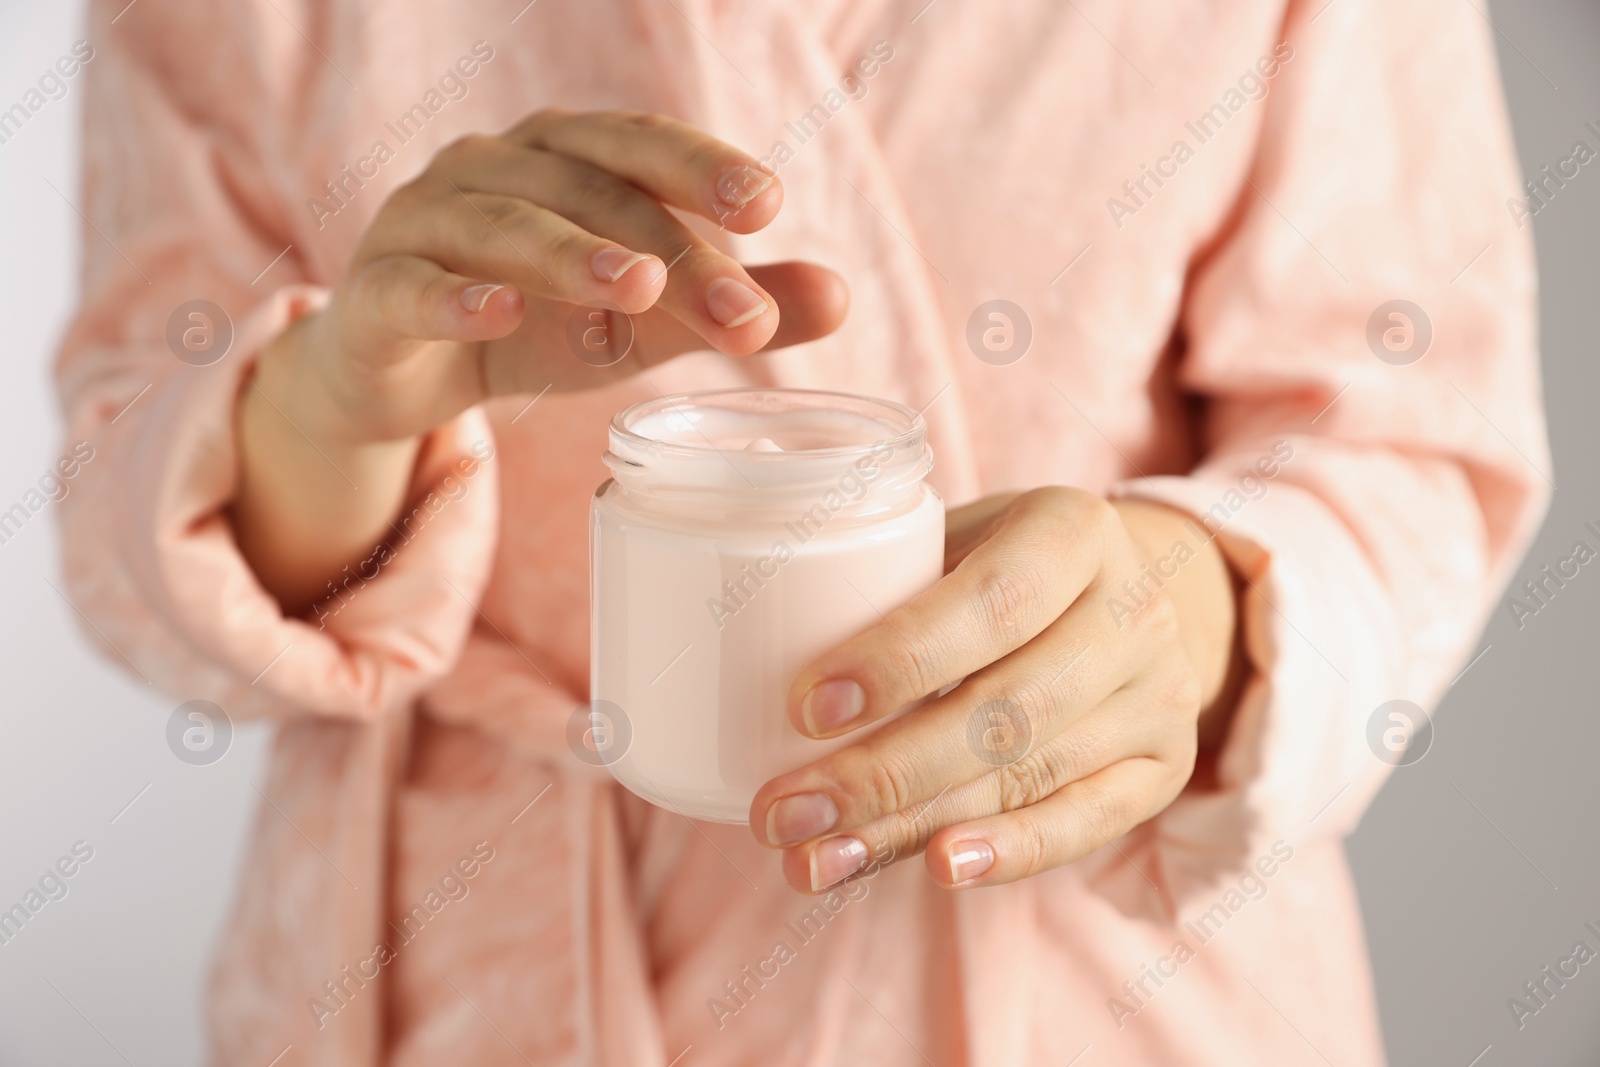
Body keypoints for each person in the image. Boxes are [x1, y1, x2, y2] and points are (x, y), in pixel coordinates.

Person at [55, 0, 1548, 1063]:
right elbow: (123, 493)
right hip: (441, 970)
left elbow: (1415, 440)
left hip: (1069, 962)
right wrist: (327, 408)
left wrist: (1193, 618)